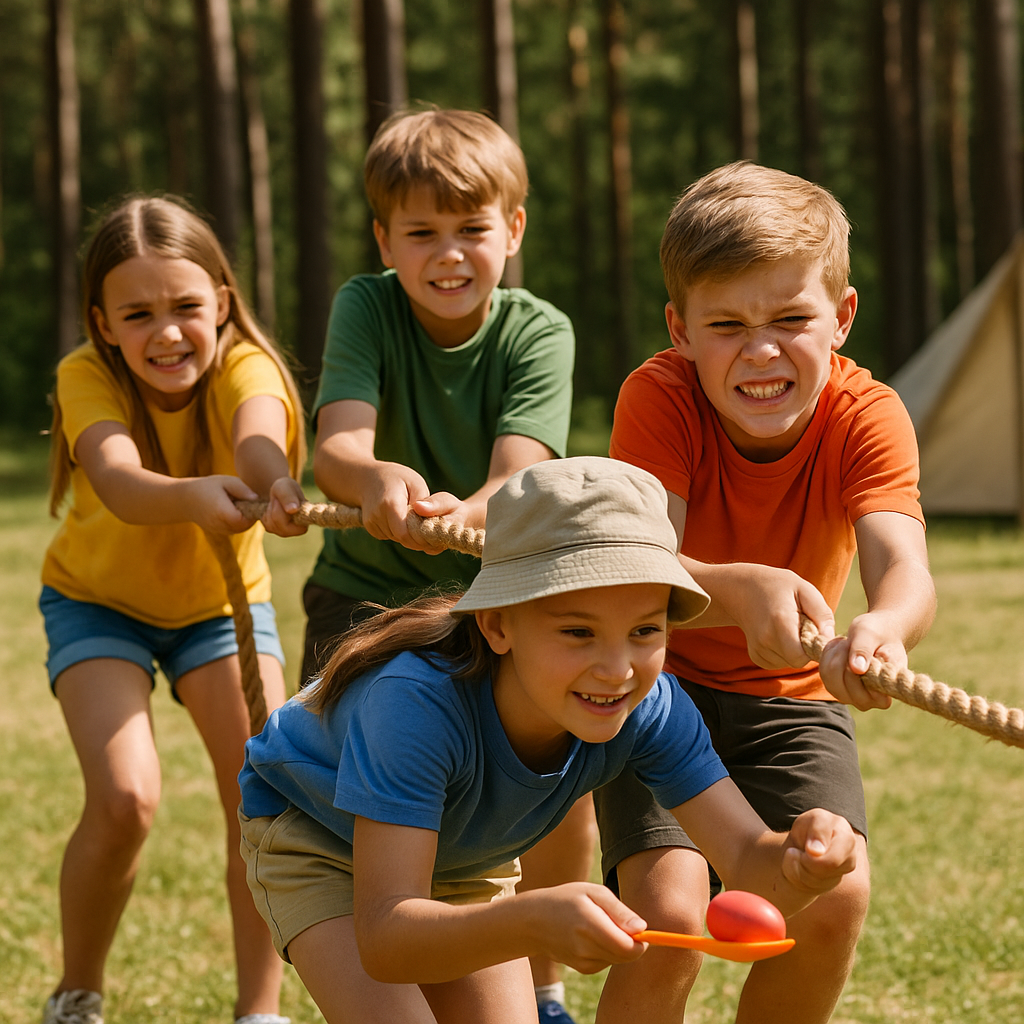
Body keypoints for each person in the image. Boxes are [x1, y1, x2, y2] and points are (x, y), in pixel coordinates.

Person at [237, 456, 860, 1024]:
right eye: (579, 632)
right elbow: (387, 939)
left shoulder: (651, 707)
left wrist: (800, 864)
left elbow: (749, 862)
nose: (617, 669)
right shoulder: (414, 706)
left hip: (461, 858)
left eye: (645, 630)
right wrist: (532, 921)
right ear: (497, 625)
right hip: (319, 837)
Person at [593, 162, 937, 1024]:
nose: (761, 351)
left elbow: (903, 564)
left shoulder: (867, 415)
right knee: (670, 917)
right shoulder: (659, 398)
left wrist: (886, 627)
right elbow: (643, 565)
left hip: (793, 705)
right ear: (680, 330)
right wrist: (734, 590)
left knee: (834, 896)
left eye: (791, 319)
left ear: (842, 317)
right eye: (727, 325)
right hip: (658, 689)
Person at [301, 108, 589, 1022]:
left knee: (548, 775)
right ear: (384, 240)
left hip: (487, 593)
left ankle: (541, 984)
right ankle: (373, 955)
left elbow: (519, 477)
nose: (449, 253)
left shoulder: (540, 331)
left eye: (471, 227)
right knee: (364, 799)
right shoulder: (366, 306)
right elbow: (337, 449)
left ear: (514, 228)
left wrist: (463, 514)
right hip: (358, 596)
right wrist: (376, 478)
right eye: (420, 232)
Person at [39, 195, 308, 1024]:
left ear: (221, 301)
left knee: (262, 798)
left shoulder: (248, 368)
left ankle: (258, 1012)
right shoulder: (85, 374)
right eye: (137, 314)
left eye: (186, 306)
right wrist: (195, 495)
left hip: (218, 609)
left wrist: (273, 482)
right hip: (98, 604)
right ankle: (77, 995)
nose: (166, 333)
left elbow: (258, 440)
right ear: (103, 323)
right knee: (126, 798)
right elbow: (120, 482)